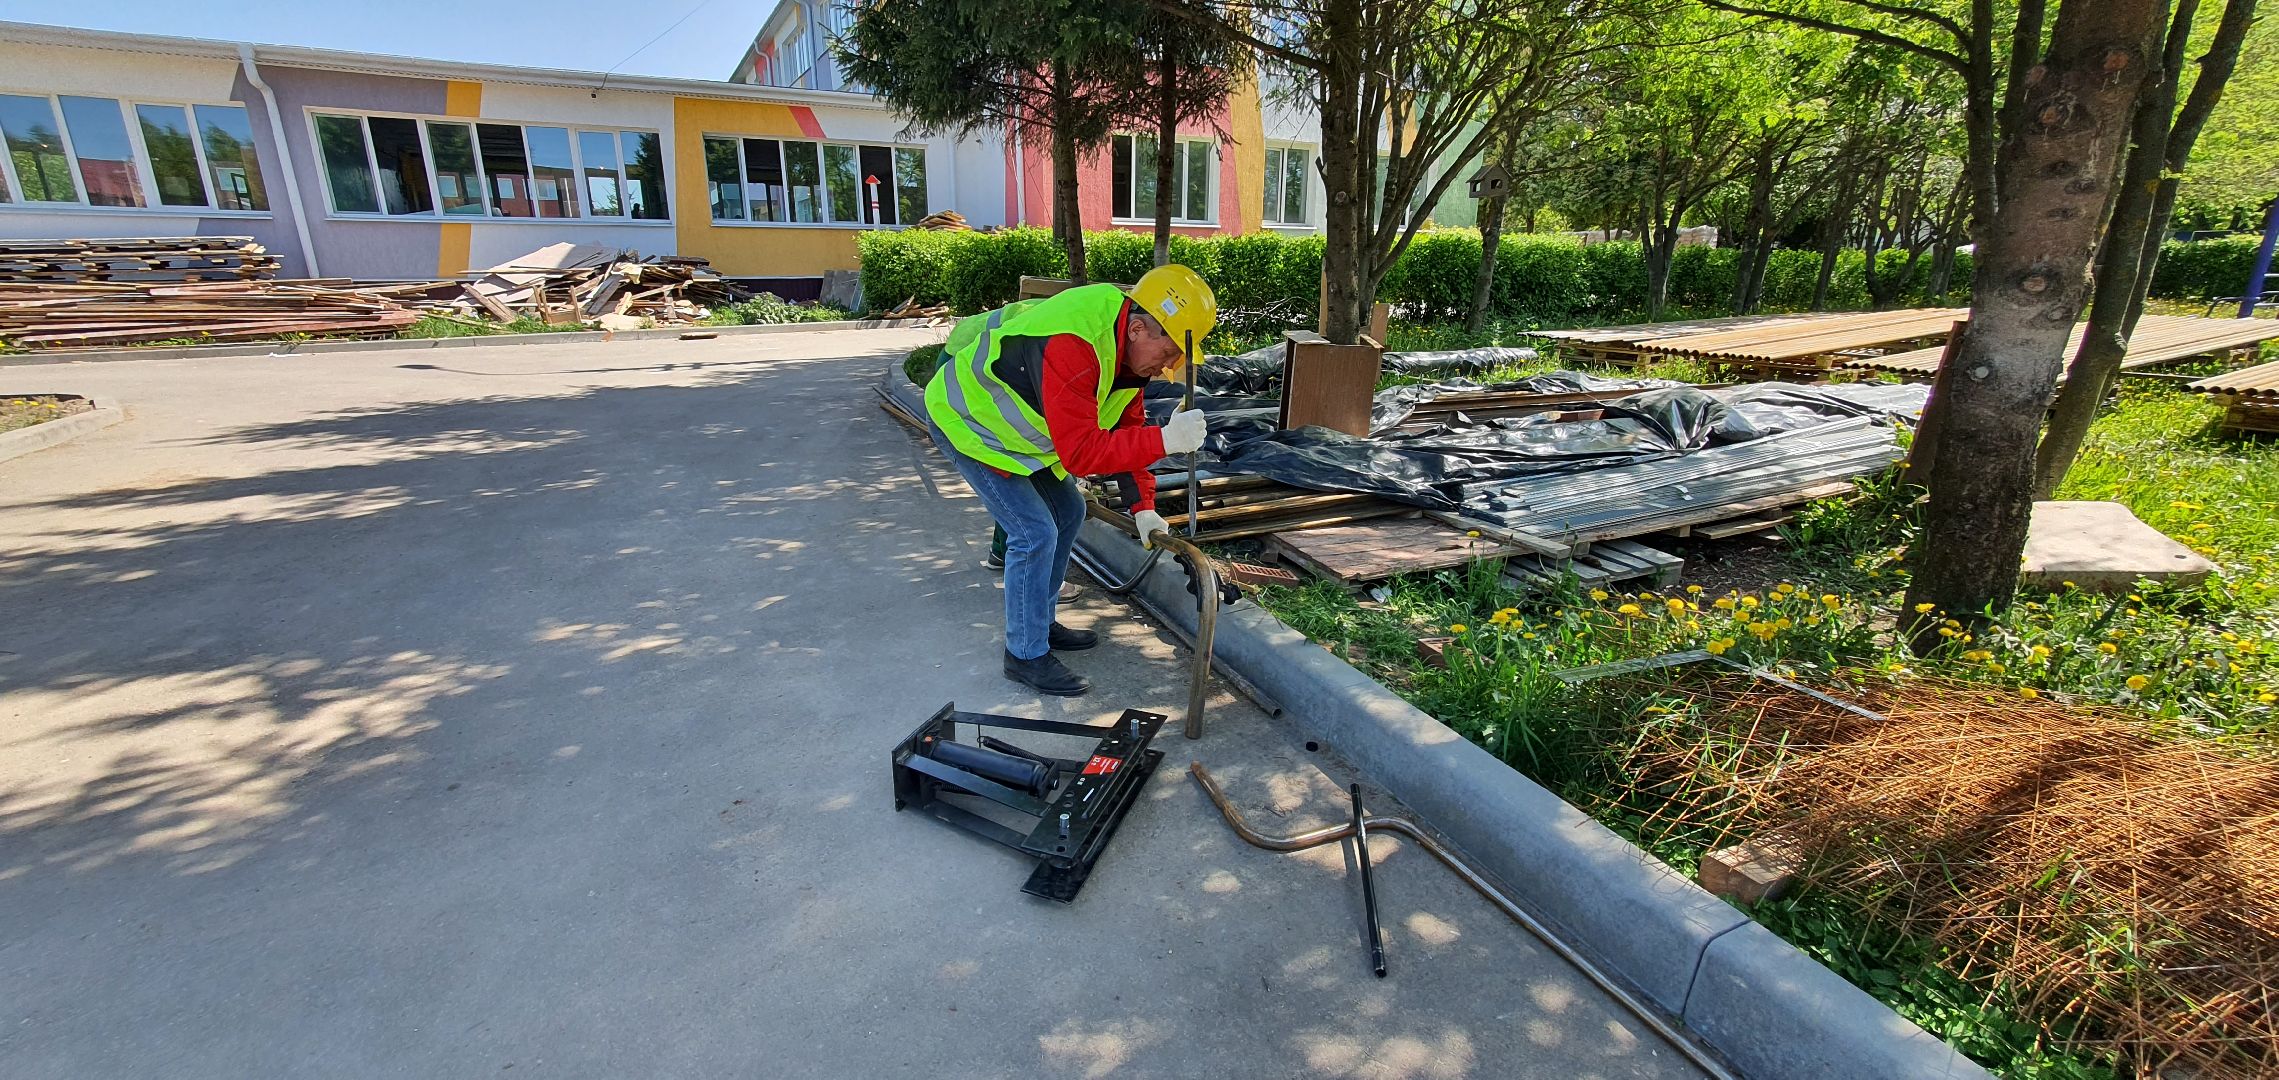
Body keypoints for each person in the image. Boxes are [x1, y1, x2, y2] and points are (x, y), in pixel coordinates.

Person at [925, 265, 1215, 696]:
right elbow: (1081, 454)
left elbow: (1124, 431)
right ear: (1138, 330)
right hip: (970, 423)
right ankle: (1024, 654)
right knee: (1033, 532)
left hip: (1016, 437)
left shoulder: (1126, 353)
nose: (1167, 368)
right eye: (1170, 352)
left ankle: (1038, 624)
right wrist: (1167, 440)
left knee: (1069, 510)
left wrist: (1144, 508)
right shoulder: (1076, 344)